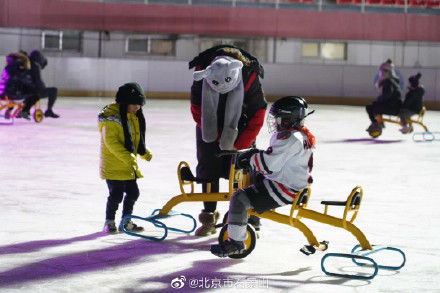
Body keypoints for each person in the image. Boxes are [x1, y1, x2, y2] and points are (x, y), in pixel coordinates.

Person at [210, 96, 315, 257]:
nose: (275, 123)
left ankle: (236, 243)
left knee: (239, 199)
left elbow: (269, 164)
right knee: (255, 179)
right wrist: (252, 155)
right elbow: (277, 161)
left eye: (278, 119)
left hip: (285, 189)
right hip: (295, 185)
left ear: (287, 119)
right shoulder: (302, 135)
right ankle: (250, 220)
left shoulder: (288, 138)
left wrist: (249, 158)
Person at [189, 45, 267, 236]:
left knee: (245, 172)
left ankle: (250, 217)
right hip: (210, 126)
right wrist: (212, 135)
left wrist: (242, 143)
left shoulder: (249, 74)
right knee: (209, 169)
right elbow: (196, 107)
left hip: (242, 127)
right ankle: (208, 217)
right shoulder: (202, 72)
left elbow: (258, 112)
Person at [98, 82, 153, 234]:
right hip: (114, 165)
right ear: (124, 102)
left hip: (128, 165)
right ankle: (109, 222)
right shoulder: (111, 119)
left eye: (140, 104)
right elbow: (111, 143)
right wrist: (128, 157)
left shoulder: (132, 116)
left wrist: (143, 151)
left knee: (133, 192)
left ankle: (126, 221)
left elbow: (134, 140)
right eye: (134, 104)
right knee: (116, 195)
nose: (138, 107)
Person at [18, 50, 60, 119]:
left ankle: (25, 110)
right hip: (34, 90)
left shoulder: (26, 63)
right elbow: (37, 81)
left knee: (34, 92)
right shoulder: (35, 65)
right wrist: (43, 88)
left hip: (24, 90)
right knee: (54, 90)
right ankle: (49, 110)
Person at [366, 59, 402, 134]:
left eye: (381, 72)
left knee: (370, 107)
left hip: (392, 107)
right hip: (394, 105)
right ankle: (379, 123)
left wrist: (379, 99)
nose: (380, 74)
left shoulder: (388, 81)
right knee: (374, 105)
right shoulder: (392, 80)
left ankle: (377, 124)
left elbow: (387, 95)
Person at [0, 51, 36, 118]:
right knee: (33, 95)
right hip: (12, 94)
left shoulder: (7, 68)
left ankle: (11, 109)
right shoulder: (20, 71)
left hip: (2, 92)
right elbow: (27, 82)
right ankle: (24, 111)